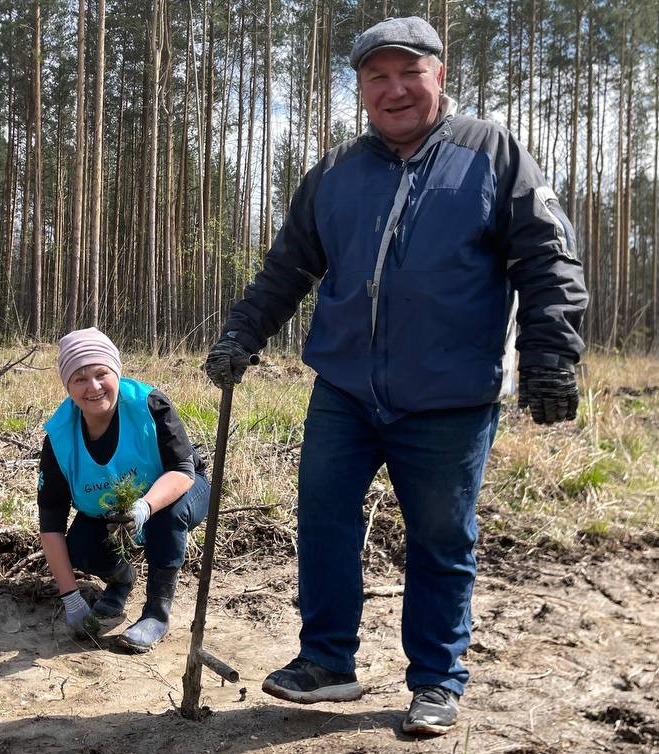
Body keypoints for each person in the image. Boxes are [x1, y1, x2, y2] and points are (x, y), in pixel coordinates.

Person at [204, 16, 588, 736]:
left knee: (441, 537)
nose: (395, 89)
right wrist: (242, 333)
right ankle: (327, 661)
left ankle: (436, 680)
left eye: (409, 72)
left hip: (449, 395)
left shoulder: (492, 154)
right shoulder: (336, 172)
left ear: (439, 75)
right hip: (345, 390)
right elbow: (288, 268)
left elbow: (547, 260)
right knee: (323, 519)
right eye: (377, 76)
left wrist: (550, 354)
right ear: (361, 89)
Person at [38, 327, 209, 652]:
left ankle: (156, 614)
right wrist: (71, 597)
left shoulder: (150, 405)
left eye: (101, 374)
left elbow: (182, 471)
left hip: (181, 491)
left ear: (116, 373)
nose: (93, 387)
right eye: (80, 379)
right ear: (67, 387)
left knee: (168, 513)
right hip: (110, 512)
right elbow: (51, 524)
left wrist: (144, 506)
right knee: (81, 545)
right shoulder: (59, 438)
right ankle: (120, 580)